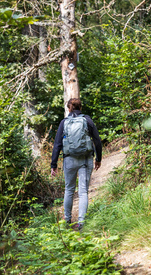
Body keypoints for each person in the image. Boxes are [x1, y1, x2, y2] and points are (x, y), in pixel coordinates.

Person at [51, 98, 102, 230]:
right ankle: (81, 221)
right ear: (81, 108)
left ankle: (67, 220)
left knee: (69, 190)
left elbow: (57, 144)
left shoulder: (64, 122)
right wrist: (98, 158)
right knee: (83, 191)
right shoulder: (87, 120)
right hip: (85, 159)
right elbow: (97, 140)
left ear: (69, 108)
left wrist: (53, 164)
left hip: (69, 159)